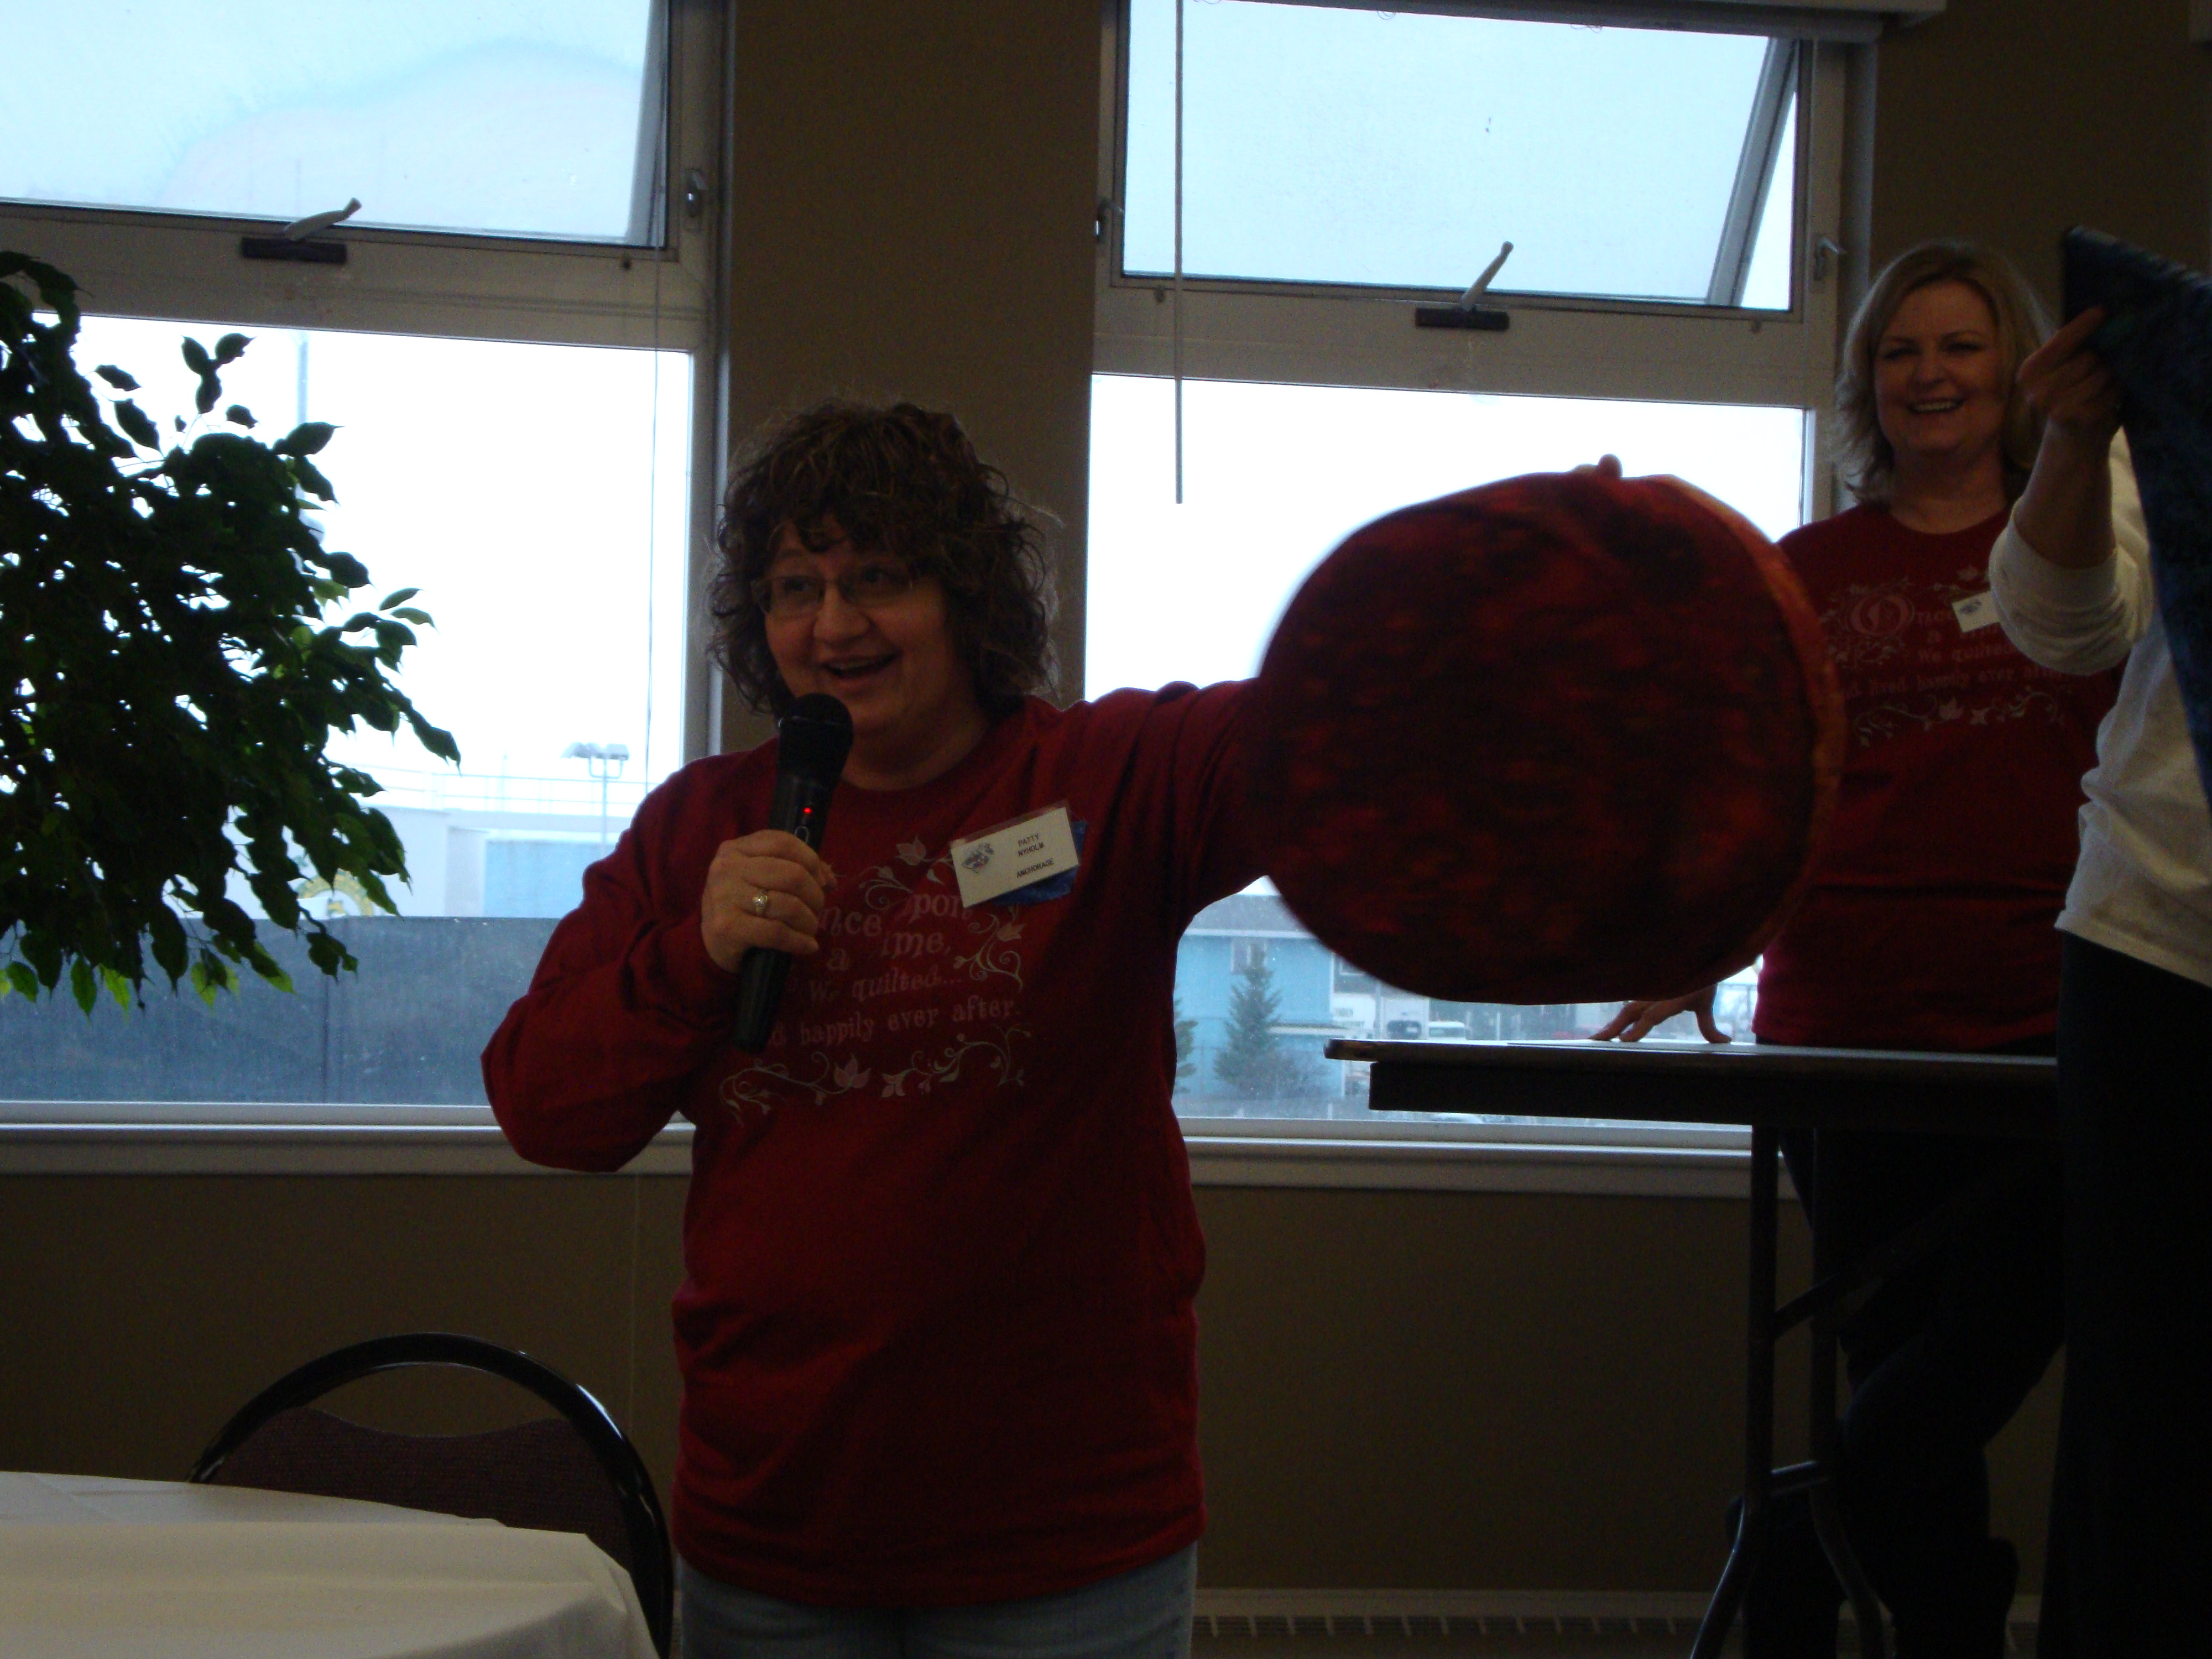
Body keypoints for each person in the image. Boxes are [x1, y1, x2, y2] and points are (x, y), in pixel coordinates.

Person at [483, 402, 1260, 1658]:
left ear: (965, 597)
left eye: (878, 579)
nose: (833, 626)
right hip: (777, 1535)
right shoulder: (701, 827)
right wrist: (695, 956)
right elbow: (542, 1107)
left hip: (1066, 1541)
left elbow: (1321, 731)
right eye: (797, 588)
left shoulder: (1105, 781)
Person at [1594, 242, 2116, 1657]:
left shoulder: (2091, 549)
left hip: (2044, 1022)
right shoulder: (1805, 571)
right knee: (1895, 1358)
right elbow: (1753, 785)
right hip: (1843, 1028)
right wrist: (1704, 941)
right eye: (1898, 351)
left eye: (1958, 346)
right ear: (1864, 383)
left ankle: (1781, 1536)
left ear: (2013, 373)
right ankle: (1943, 1632)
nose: (1927, 375)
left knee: (1967, 1358)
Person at [1989, 301, 2212, 1656]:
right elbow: (2064, 625)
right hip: (2162, 942)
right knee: (2149, 1398)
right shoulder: (2188, 388)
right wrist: (2075, 439)